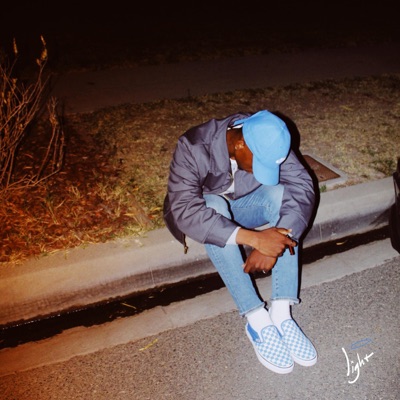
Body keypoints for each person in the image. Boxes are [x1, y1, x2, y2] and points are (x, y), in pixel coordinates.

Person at [163, 110, 317, 374]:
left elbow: (301, 184)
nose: (268, 172)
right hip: (206, 209)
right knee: (213, 207)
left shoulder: (269, 135)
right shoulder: (193, 146)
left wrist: (280, 241)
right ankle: (256, 318)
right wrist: (256, 239)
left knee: (280, 194)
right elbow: (186, 209)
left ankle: (281, 313)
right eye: (261, 165)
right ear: (240, 144)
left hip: (246, 204)